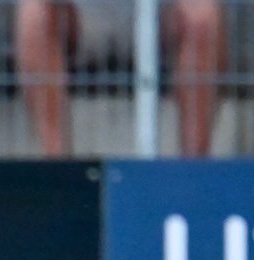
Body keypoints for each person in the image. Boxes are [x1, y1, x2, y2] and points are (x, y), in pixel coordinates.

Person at [15, 0, 221, 157]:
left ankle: (196, 170)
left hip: (154, 14)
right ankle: (57, 168)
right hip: (80, 15)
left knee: (201, 15)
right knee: (35, 14)